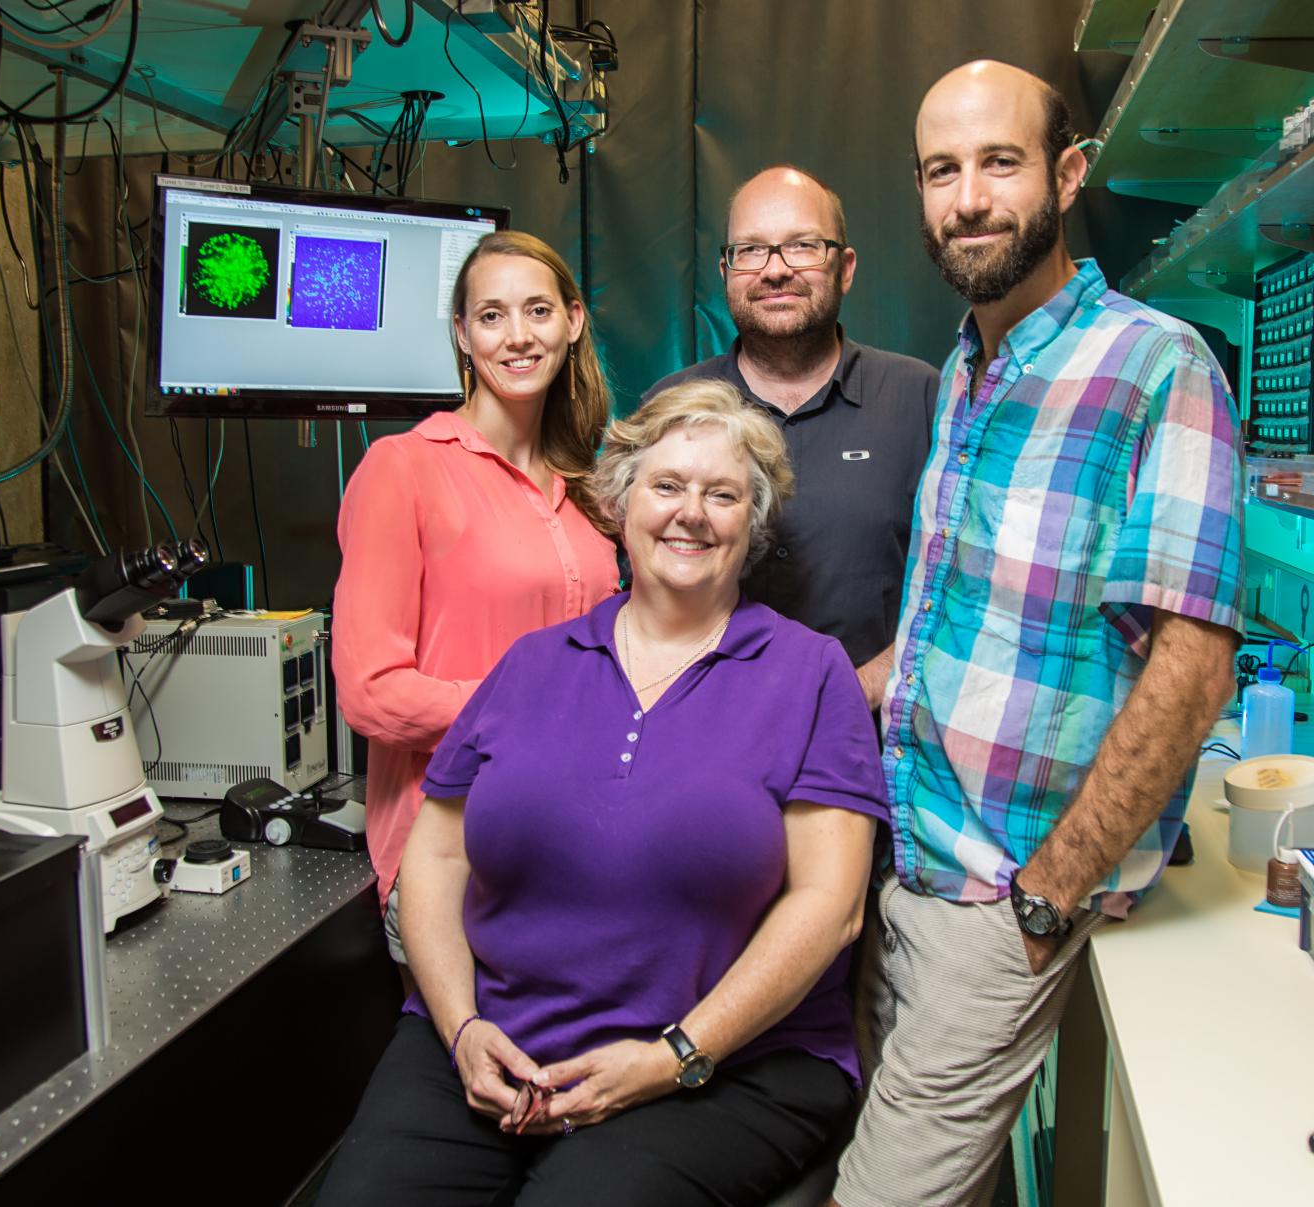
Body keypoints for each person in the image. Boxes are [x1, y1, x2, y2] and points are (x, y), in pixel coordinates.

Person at [831, 61, 1244, 1207]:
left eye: (999, 163)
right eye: (940, 171)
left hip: (997, 902)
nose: (968, 198)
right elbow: (951, 624)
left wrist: (1048, 895)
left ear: (1066, 176)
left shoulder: (1159, 367)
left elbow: (1194, 665)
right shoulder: (970, 368)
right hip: (899, 862)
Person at [316, 380, 887, 1206]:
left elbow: (829, 906)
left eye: (721, 494)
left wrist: (676, 1054)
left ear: (751, 524)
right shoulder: (531, 663)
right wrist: (461, 1026)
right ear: (621, 503)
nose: (690, 512)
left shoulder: (809, 673)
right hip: (497, 1040)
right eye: (666, 486)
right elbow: (435, 853)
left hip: (730, 1064)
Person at [331, 231, 620, 968]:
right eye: (491, 316)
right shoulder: (403, 469)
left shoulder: (590, 482)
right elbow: (371, 693)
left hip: (574, 840)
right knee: (479, 1072)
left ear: (574, 320)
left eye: (537, 311)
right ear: (462, 334)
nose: (517, 336)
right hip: (454, 849)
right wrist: (530, 712)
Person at [644, 165, 939, 708]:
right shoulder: (669, 407)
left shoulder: (920, 397)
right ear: (726, 271)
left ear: (845, 268)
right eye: (751, 251)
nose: (775, 270)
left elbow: (962, 585)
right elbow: (637, 586)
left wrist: (859, 691)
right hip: (700, 732)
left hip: (870, 746)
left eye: (803, 246)